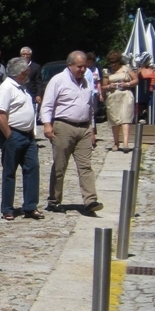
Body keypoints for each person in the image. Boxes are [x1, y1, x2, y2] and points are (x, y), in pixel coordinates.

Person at [40, 51, 103, 215]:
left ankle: (90, 200)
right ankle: (54, 200)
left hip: (84, 128)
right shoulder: (58, 80)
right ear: (70, 65)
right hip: (64, 126)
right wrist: (47, 125)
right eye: (79, 67)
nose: (82, 69)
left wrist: (92, 129)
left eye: (84, 66)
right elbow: (47, 105)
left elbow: (90, 107)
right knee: (60, 165)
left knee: (85, 166)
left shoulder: (86, 82)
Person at [0, 57, 42, 221]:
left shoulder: (22, 88)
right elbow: (0, 114)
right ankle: (7, 208)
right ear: (21, 72)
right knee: (10, 171)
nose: (29, 73)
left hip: (27, 135)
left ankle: (30, 206)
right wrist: (10, 136)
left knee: (32, 168)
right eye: (27, 71)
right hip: (14, 134)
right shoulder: (7, 87)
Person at [102, 51, 138, 152]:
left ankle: (126, 143)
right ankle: (116, 142)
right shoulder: (106, 71)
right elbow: (103, 86)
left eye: (115, 62)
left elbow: (136, 80)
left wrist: (127, 84)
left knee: (125, 118)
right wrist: (110, 86)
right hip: (113, 97)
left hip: (125, 95)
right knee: (115, 120)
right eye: (111, 63)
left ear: (119, 61)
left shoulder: (126, 68)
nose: (113, 65)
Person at [85, 53, 104, 147]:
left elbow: (98, 82)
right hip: (85, 93)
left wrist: (100, 94)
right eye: (88, 62)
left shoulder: (95, 69)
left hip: (94, 93)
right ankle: (90, 133)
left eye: (91, 62)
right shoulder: (84, 70)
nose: (89, 64)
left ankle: (92, 133)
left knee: (93, 113)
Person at [20, 47, 43, 112]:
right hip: (19, 93)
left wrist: (39, 95)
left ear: (30, 55)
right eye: (23, 54)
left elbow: (38, 82)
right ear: (20, 55)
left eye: (27, 54)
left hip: (31, 95)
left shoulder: (36, 67)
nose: (25, 56)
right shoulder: (16, 66)